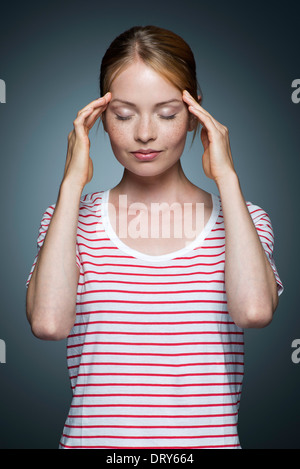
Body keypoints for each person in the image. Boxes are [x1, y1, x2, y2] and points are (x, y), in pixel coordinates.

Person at [25, 25, 284, 449]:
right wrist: (71, 183)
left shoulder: (245, 221)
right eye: (124, 115)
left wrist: (228, 178)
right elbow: (49, 324)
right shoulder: (67, 221)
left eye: (166, 114)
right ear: (99, 120)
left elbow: (254, 312)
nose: (144, 134)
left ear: (195, 115)